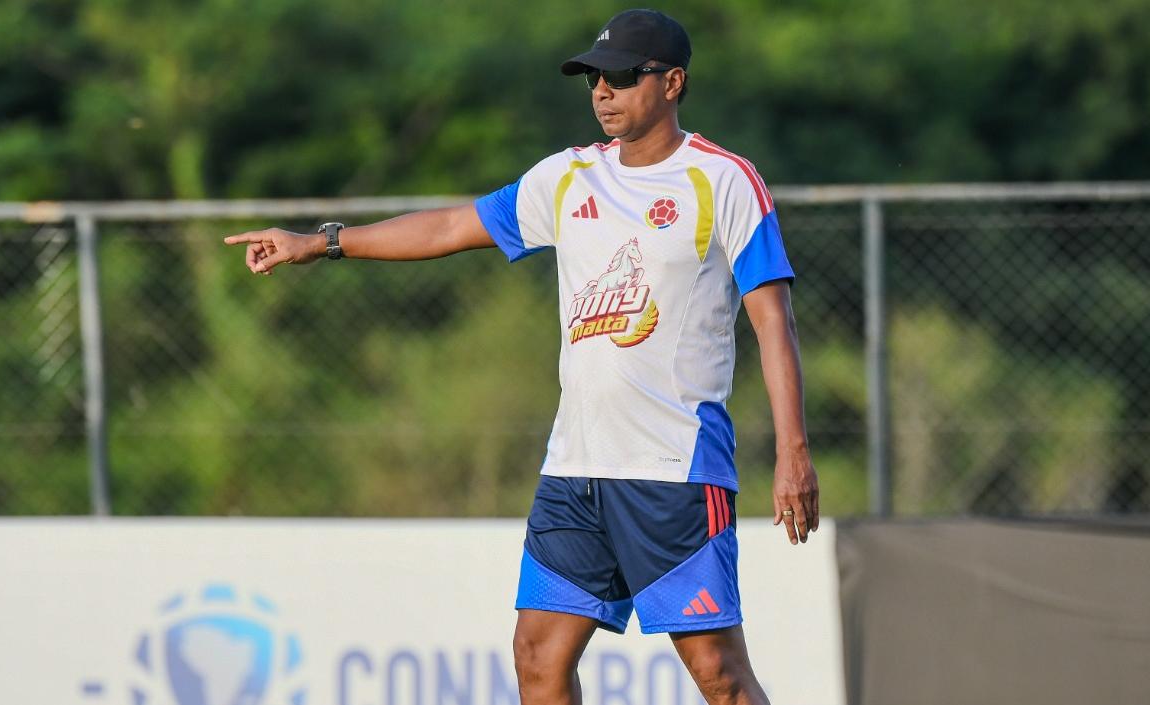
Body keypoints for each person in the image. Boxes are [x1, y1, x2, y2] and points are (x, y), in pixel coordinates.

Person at [223, 9, 819, 705]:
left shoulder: (723, 181)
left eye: (622, 76)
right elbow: (449, 225)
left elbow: (772, 322)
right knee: (537, 656)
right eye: (593, 77)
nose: (601, 91)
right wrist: (319, 242)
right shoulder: (567, 178)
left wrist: (792, 452)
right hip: (572, 470)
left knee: (717, 673)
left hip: (672, 470)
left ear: (672, 83)